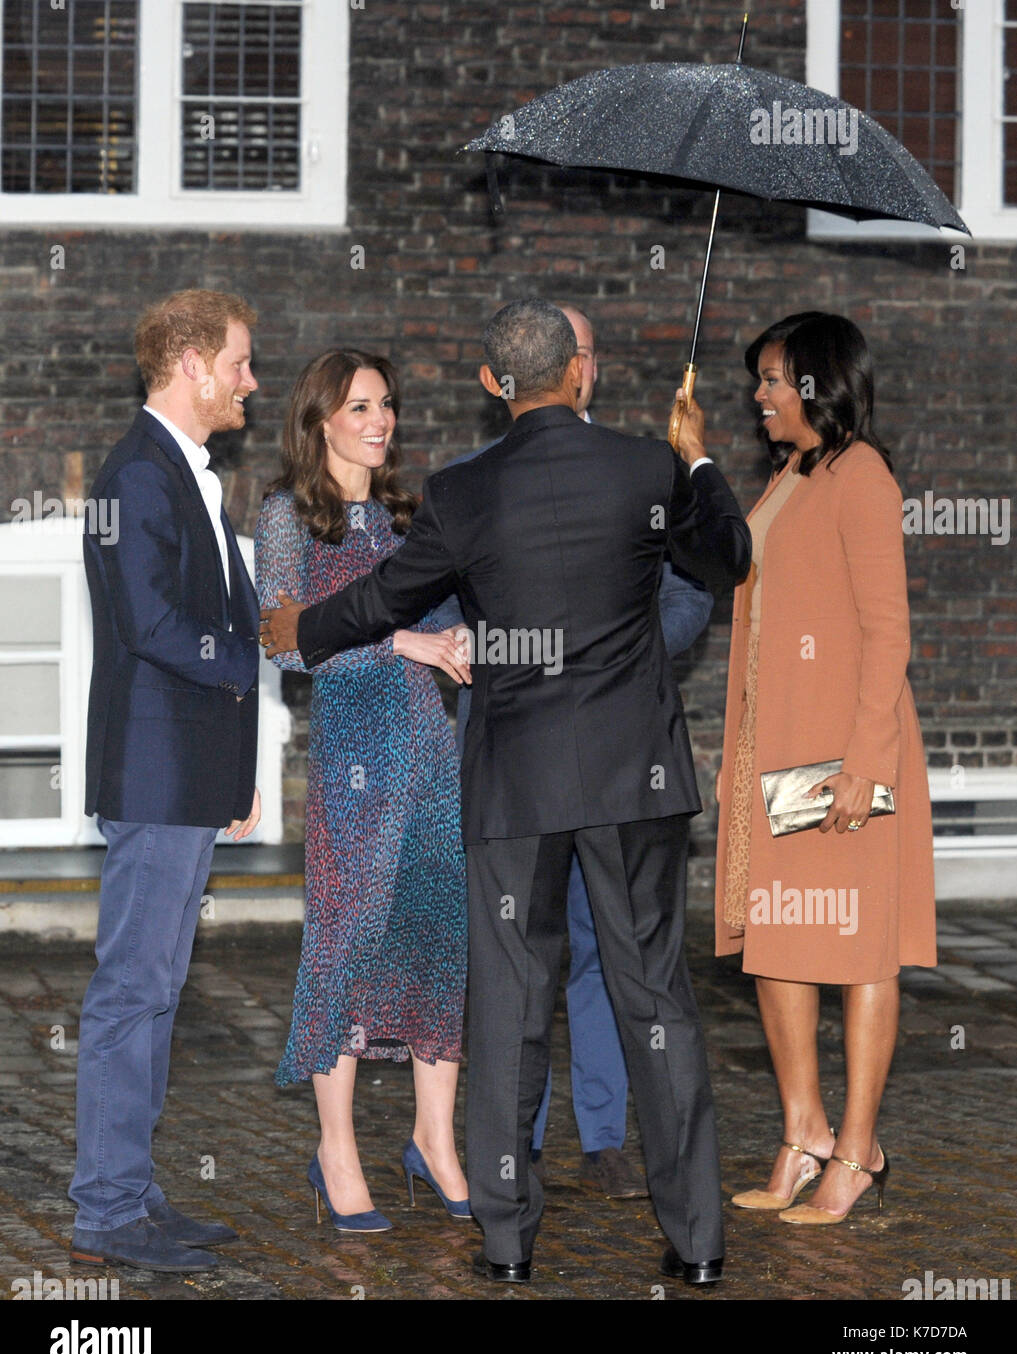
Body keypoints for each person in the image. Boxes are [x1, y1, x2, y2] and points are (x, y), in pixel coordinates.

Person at [261, 300, 751, 1284]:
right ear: (580, 370)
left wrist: (298, 632)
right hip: (635, 776)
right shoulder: (645, 467)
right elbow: (729, 561)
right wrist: (695, 457)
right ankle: (696, 1242)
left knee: (511, 1005)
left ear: (494, 385)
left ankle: (506, 1242)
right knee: (655, 995)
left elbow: (387, 597)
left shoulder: (462, 491)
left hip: (516, 780)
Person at [436, 303, 714, 1199]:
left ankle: (604, 1134)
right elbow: (442, 616)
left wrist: (622, 653)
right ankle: (516, 1153)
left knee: (612, 963)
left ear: (587, 367)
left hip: (625, 760)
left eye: (586, 348)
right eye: (570, 351)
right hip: (524, 768)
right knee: (520, 969)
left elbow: (691, 587)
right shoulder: (471, 480)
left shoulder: (645, 468)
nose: (578, 363)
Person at [713, 311, 936, 1224]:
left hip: (847, 755)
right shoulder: (788, 475)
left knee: (857, 947)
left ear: (816, 384)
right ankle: (802, 1133)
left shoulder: (861, 474)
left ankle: (857, 1148)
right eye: (759, 380)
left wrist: (863, 761)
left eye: (772, 379)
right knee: (779, 943)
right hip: (775, 751)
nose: (760, 395)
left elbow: (888, 629)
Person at [254, 349, 470, 1233]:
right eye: (359, 408)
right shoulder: (285, 518)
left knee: (436, 942)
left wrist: (456, 641)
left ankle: (435, 1139)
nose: (379, 422)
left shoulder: (409, 515)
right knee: (344, 946)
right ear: (319, 422)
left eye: (386, 405)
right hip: (353, 767)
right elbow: (281, 642)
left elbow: (443, 617)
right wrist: (404, 647)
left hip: (431, 757)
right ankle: (335, 1154)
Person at [71, 289, 262, 1273]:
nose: (250, 381)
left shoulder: (180, 471)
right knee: (131, 989)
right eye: (239, 362)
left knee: (154, 988)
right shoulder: (140, 474)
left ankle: (132, 1194)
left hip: (183, 772)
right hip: (155, 773)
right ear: (192, 364)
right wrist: (246, 660)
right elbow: (150, 623)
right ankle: (105, 1210)